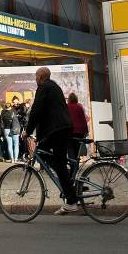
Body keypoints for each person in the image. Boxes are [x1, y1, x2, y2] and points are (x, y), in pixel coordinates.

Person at [24, 67, 78, 215]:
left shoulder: (44, 87)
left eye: (36, 76)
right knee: (52, 158)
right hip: (62, 127)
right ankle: (68, 181)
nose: (35, 79)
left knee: (57, 162)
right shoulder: (54, 86)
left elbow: (36, 110)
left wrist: (27, 131)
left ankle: (71, 200)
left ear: (41, 77)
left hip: (56, 130)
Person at [67, 92, 89, 162]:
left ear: (69, 100)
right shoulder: (79, 107)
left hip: (70, 132)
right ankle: (76, 165)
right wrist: (86, 132)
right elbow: (83, 120)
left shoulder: (66, 107)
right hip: (79, 132)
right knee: (77, 150)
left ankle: (72, 165)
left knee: (70, 149)